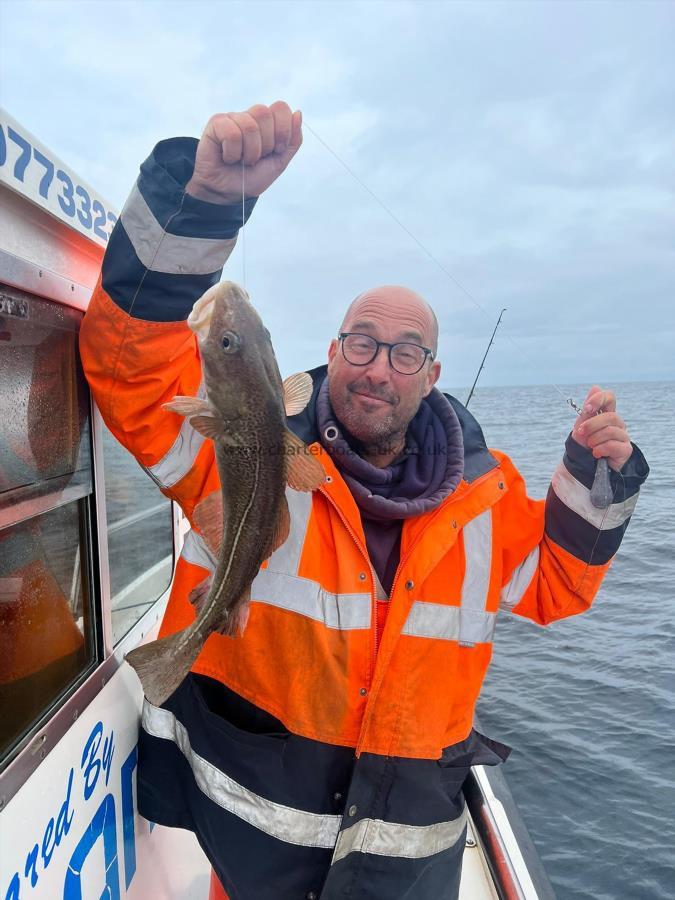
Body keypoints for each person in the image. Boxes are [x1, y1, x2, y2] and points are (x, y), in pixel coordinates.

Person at [79, 102, 649, 900]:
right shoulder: (241, 452)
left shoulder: (483, 502)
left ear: (432, 375)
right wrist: (201, 205)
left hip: (403, 863)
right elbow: (129, 367)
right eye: (361, 343)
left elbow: (556, 583)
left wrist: (598, 484)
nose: (378, 367)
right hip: (253, 856)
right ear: (330, 353)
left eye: (404, 351)